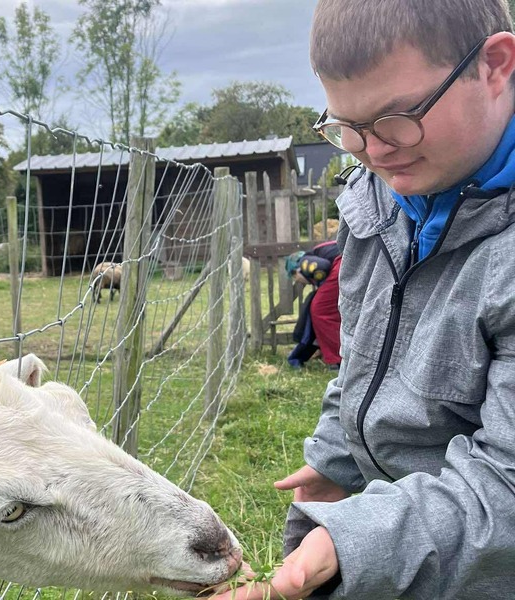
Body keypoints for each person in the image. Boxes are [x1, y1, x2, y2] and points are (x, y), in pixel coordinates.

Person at [210, 1, 515, 598]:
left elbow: (507, 483)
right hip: (412, 541)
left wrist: (353, 542)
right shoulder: (376, 198)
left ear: (496, 65)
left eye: (397, 115)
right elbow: (367, 355)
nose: (373, 150)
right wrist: (336, 455)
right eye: (345, 125)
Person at [285, 241, 342, 369]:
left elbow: (323, 266)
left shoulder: (304, 262)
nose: (298, 282)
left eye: (295, 278)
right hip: (349, 259)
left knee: (320, 310)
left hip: (341, 263)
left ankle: (338, 358)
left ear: (296, 272)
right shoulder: (317, 253)